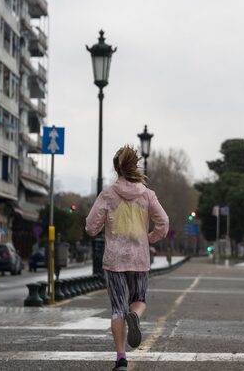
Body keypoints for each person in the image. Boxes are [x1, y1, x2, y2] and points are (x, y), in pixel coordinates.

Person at [86, 145, 169, 371]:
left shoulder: (108, 194)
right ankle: (135, 315)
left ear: (116, 168)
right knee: (139, 299)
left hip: (114, 260)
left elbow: (91, 227)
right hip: (139, 258)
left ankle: (121, 358)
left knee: (117, 310)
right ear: (134, 167)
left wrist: (101, 226)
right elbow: (164, 222)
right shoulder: (147, 194)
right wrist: (149, 238)